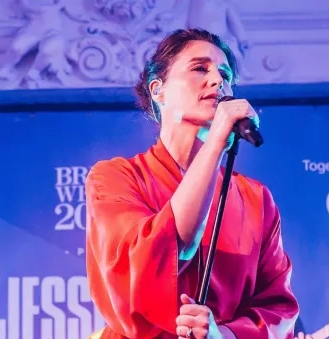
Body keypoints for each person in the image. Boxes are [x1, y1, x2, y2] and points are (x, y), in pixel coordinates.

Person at [85, 28, 299, 339]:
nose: (217, 80)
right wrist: (216, 144)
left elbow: (279, 308)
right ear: (158, 90)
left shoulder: (256, 199)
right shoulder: (115, 178)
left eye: (224, 73)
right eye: (200, 68)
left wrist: (222, 335)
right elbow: (159, 258)